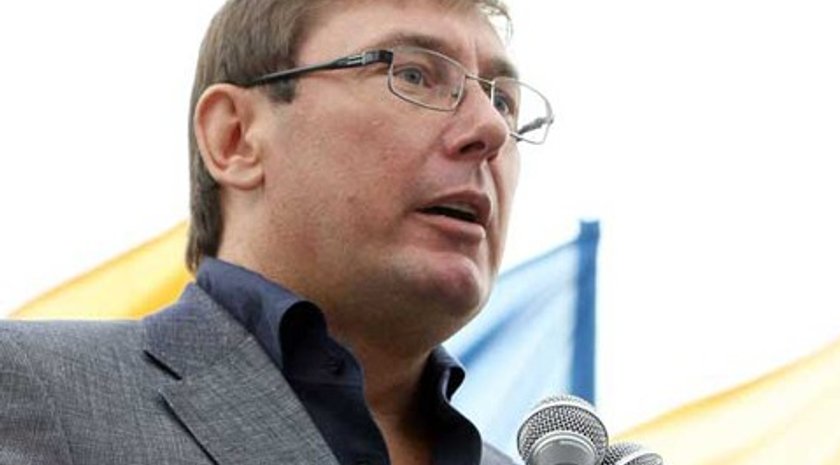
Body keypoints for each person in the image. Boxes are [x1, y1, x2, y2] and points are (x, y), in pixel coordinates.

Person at [0, 0, 554, 463]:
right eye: (412, 74)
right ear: (235, 137)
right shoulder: (35, 387)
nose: (490, 128)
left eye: (503, 101)